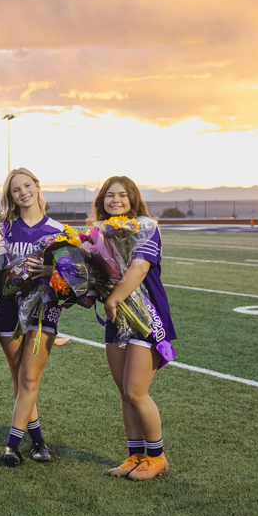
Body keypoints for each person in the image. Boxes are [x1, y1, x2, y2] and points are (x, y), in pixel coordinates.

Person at [92, 176, 176, 481]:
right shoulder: (100, 233)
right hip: (118, 319)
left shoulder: (147, 226)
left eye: (122, 195)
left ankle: (158, 458)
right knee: (124, 393)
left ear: (133, 199)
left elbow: (139, 268)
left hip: (145, 316)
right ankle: (136, 455)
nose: (115, 200)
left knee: (136, 391)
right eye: (109, 195)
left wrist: (112, 299)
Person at [0, 168, 64, 466]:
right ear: (10, 197)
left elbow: (73, 278)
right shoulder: (3, 229)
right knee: (18, 378)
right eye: (15, 190)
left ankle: (11, 446)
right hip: (9, 307)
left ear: (37, 187)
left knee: (29, 377)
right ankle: (37, 441)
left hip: (43, 309)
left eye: (27, 186)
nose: (22, 192)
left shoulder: (58, 229)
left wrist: (53, 272)